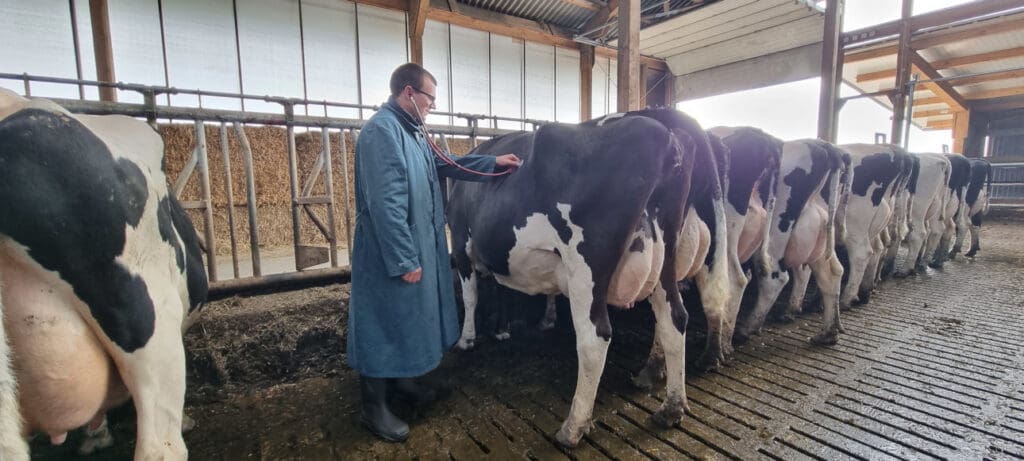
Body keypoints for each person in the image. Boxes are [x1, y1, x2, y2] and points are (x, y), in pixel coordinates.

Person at [347, 62, 522, 442]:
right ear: (409, 92)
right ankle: (372, 407)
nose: (432, 106)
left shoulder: (414, 132)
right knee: (383, 321)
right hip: (387, 252)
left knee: (409, 317)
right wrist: (404, 258)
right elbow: (386, 204)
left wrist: (493, 163)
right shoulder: (382, 132)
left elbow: (448, 163)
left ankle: (405, 383)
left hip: (417, 244)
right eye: (430, 99)